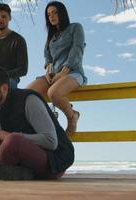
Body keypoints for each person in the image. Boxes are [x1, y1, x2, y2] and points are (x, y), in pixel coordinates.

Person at [0, 66, 74, 180]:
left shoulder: (28, 100)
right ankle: (22, 172)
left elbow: (51, 141)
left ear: (4, 88)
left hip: (53, 162)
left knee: (13, 140)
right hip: (22, 160)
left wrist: (10, 136)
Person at [26, 1, 87, 136]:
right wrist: (49, 73)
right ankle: (44, 124)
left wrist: (63, 72)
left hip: (73, 72)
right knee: (26, 94)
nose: (51, 16)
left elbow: (77, 50)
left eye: (55, 12)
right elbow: (48, 59)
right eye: (48, 14)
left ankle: (72, 116)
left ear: (62, 13)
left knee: (53, 93)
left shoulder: (76, 28)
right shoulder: (51, 37)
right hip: (54, 75)